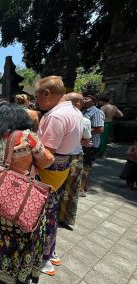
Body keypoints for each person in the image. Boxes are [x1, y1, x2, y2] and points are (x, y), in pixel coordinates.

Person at [0, 103, 54, 284]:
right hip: (22, 201)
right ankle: (18, 276)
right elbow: (47, 162)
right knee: (23, 238)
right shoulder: (27, 138)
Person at [34, 76, 83, 275]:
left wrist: (28, 148)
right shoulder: (74, 111)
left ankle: (44, 257)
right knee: (52, 210)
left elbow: (47, 156)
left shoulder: (55, 116)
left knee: (44, 214)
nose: (36, 101)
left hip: (49, 171)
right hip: (63, 167)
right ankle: (51, 251)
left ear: (47, 94)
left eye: (37, 96)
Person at [58, 93, 92, 230]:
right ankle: (64, 218)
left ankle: (57, 216)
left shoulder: (58, 116)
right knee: (70, 188)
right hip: (74, 155)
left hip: (63, 155)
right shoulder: (84, 120)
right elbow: (86, 140)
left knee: (61, 187)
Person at [80, 90, 105, 196]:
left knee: (86, 166)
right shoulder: (83, 111)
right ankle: (83, 186)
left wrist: (84, 130)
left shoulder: (97, 112)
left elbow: (100, 129)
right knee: (80, 165)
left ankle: (81, 189)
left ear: (93, 101)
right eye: (84, 98)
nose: (84, 100)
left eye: (87, 98)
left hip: (91, 144)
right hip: (82, 143)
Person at [98, 89, 123, 157]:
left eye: (99, 100)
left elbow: (100, 117)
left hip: (104, 124)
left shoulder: (103, 107)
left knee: (101, 138)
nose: (99, 102)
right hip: (110, 123)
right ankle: (103, 151)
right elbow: (121, 115)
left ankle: (100, 152)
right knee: (106, 138)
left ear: (102, 100)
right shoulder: (114, 107)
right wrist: (112, 115)